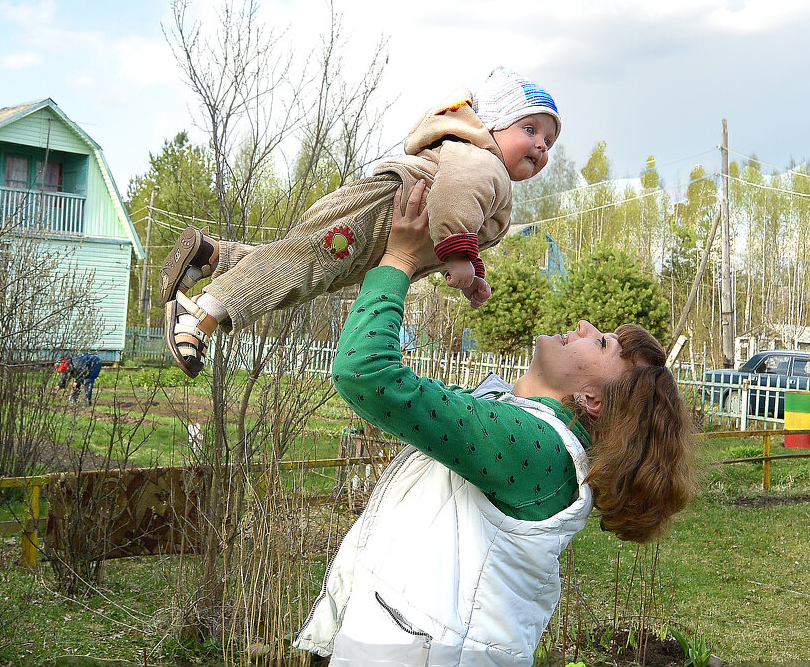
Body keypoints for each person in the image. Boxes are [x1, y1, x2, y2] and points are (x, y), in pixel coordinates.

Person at [292, 180, 696, 666]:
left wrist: (398, 261)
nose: (586, 327)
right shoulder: (525, 432)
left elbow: (367, 372)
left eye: (604, 344)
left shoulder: (536, 449)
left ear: (592, 399)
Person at [159, 67, 562, 378]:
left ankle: (213, 256)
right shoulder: (481, 158)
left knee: (307, 269)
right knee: (304, 265)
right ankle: (201, 313)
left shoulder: (489, 170)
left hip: (383, 232)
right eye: (529, 129)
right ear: (491, 125)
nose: (541, 145)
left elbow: (466, 216)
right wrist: (460, 256)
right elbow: (456, 197)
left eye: (549, 141)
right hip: (380, 210)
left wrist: (470, 273)